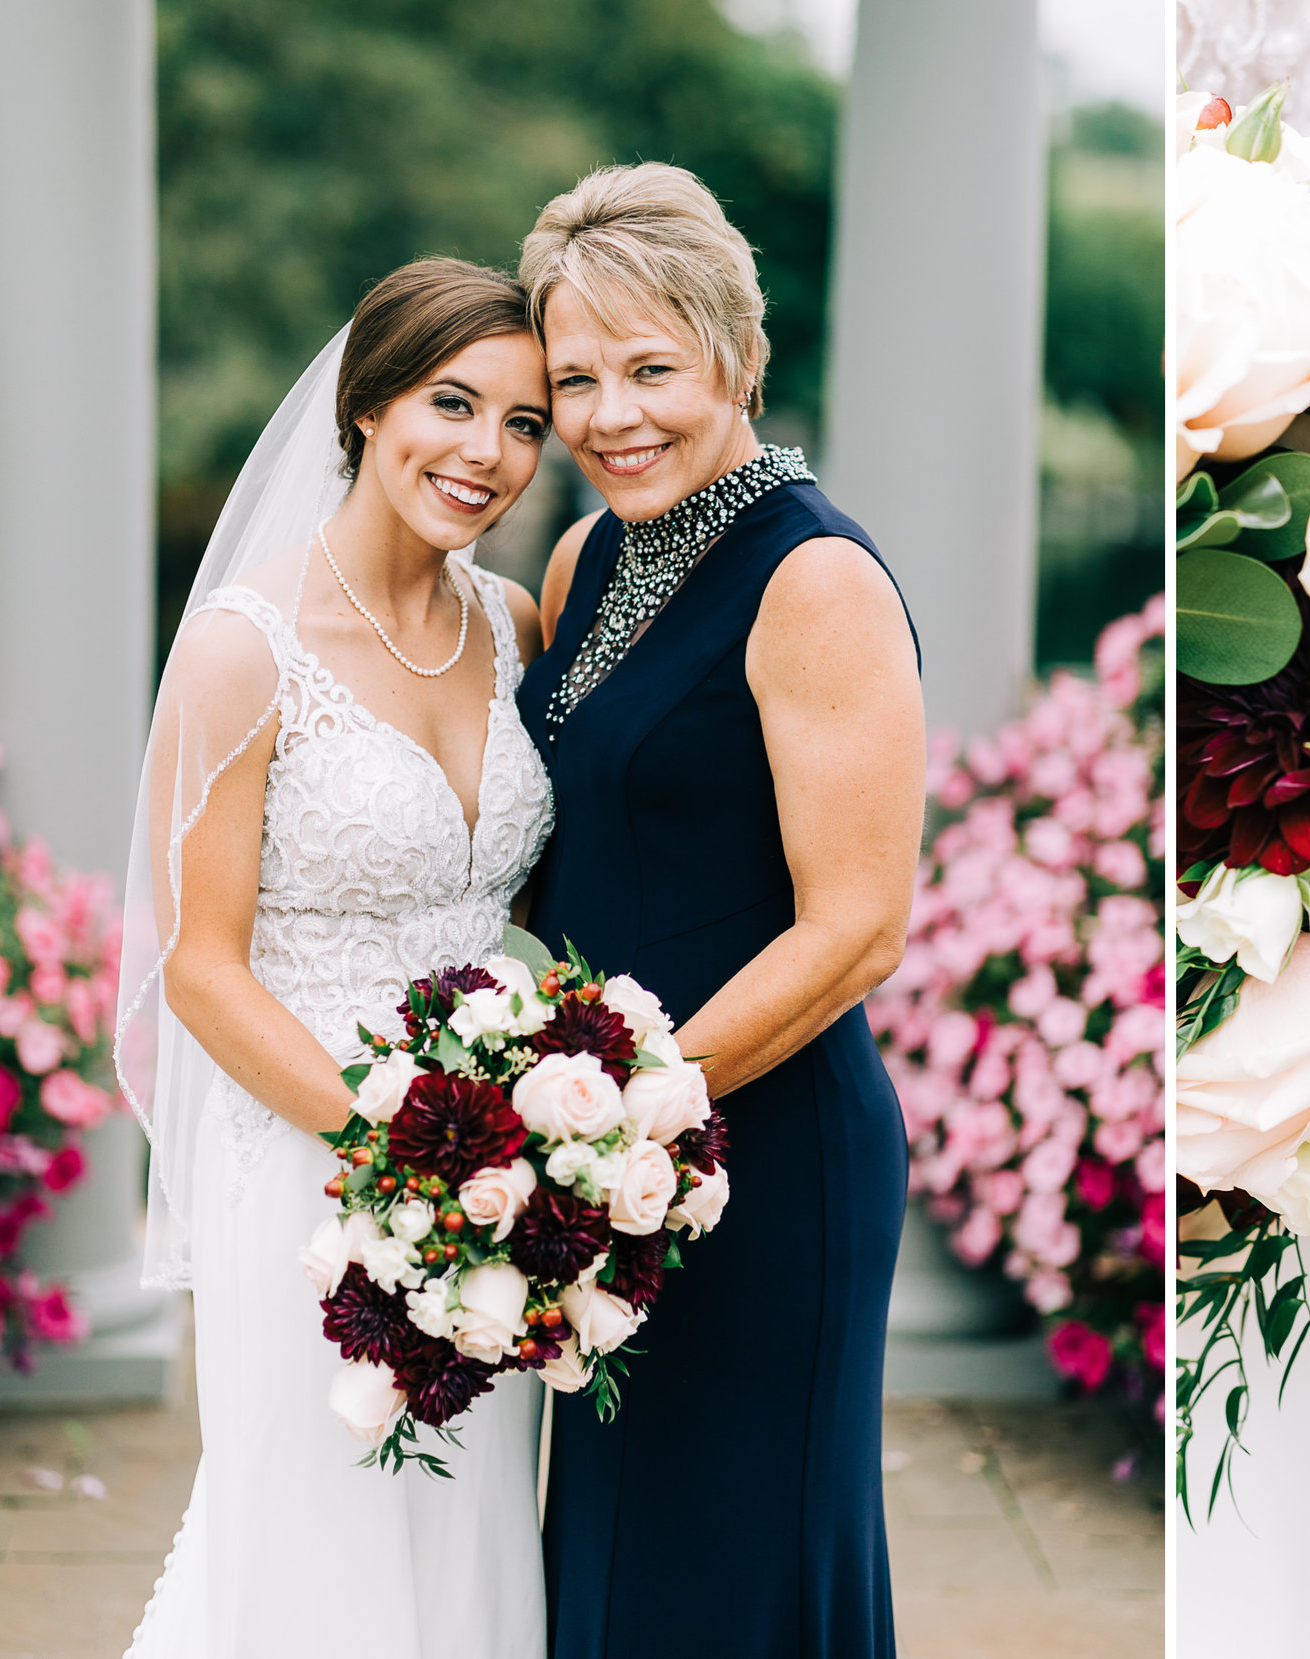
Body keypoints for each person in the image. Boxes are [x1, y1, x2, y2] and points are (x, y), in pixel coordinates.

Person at [511, 163, 923, 1659]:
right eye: (574, 378)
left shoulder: (811, 577)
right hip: (605, 1153)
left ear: (737, 359)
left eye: (651, 369)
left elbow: (857, 926)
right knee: (614, 1563)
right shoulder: (586, 554)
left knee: (728, 1574)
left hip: (764, 1159)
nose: (611, 414)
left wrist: (617, 1116)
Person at [117, 259, 558, 1657]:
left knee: (466, 1532)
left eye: (527, 421)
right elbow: (201, 963)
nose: (489, 451)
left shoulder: (514, 625)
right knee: (319, 1542)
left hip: (494, 1178)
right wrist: (397, 1143)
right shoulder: (246, 649)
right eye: (453, 401)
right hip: (316, 1163)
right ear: (368, 405)